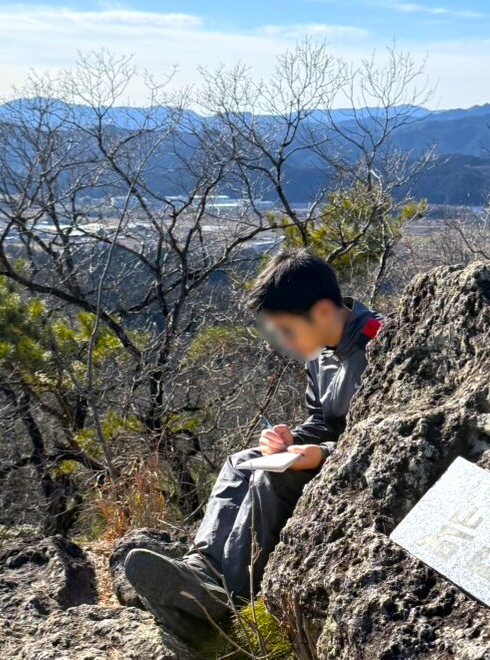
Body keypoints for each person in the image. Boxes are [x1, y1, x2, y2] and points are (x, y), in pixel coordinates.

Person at [124, 249, 383, 640]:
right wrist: (290, 439)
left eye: (288, 329)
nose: (285, 341)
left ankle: (229, 603)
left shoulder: (379, 346)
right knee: (241, 462)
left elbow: (388, 437)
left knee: (271, 480)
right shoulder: (322, 354)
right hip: (332, 454)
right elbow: (322, 420)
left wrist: (324, 455)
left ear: (325, 311)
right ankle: (203, 570)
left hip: (365, 468)